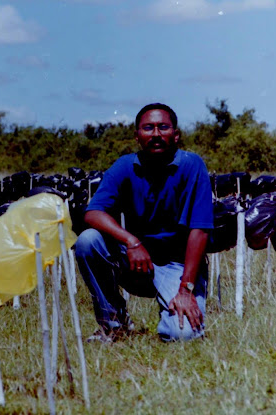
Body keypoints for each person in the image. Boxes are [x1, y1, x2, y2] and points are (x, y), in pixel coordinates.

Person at [74, 103, 214, 342]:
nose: (156, 134)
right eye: (148, 128)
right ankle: (113, 324)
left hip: (178, 265)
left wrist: (186, 289)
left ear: (176, 135)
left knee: (182, 335)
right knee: (88, 241)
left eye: (163, 127)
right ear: (137, 136)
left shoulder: (192, 165)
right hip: (137, 260)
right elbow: (93, 213)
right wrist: (132, 241)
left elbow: (199, 229)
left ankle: (171, 312)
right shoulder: (125, 166)